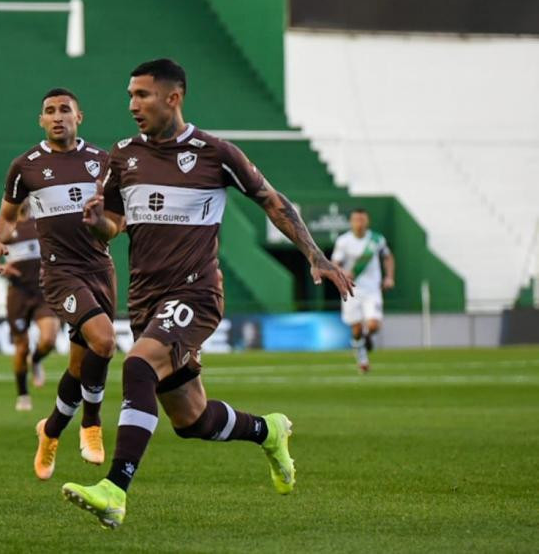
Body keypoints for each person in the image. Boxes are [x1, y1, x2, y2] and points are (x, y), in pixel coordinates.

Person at [61, 59, 353, 528]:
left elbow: (273, 202)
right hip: (145, 301)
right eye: (131, 95)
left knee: (137, 364)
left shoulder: (215, 153)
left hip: (195, 296)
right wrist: (98, 222)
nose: (133, 105)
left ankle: (114, 489)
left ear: (173, 97)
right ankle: (269, 430)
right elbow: (112, 226)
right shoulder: (122, 156)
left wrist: (315, 256)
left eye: (143, 95)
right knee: (191, 420)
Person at [0, 88, 117, 477]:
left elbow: (115, 223)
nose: (57, 116)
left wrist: (103, 225)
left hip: (100, 269)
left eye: (64, 110)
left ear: (80, 116)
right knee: (105, 341)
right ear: (41, 120)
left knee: (79, 365)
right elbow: (7, 218)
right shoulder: (26, 166)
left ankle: (51, 430)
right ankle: (92, 423)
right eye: (49, 111)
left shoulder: (103, 162)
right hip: (59, 272)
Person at [0, 200, 58, 411]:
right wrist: (0, 268)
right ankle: (23, 395)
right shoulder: (7, 227)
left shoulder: (42, 223)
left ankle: (37, 359)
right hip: (19, 294)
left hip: (43, 292)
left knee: (49, 339)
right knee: (21, 347)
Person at [331, 208, 394, 373]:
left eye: (362, 220)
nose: (359, 223)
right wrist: (344, 273)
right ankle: (362, 358)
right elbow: (335, 263)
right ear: (351, 222)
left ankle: (366, 339)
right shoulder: (343, 241)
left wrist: (389, 277)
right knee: (356, 328)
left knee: (374, 325)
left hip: (372, 289)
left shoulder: (377, 240)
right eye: (356, 220)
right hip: (351, 290)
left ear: (367, 222)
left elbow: (388, 257)